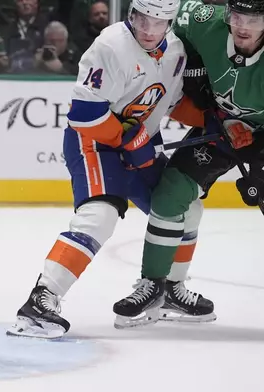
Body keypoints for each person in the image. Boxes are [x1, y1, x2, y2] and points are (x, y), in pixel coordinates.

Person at [7, 0, 213, 339]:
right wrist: (129, 141)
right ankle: (40, 300)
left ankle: (172, 289)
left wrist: (220, 119)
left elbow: (173, 104)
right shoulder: (110, 45)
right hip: (94, 143)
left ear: (170, 23)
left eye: (158, 22)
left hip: (137, 142)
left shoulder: (175, 51)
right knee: (100, 216)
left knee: (187, 207)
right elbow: (84, 115)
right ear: (131, 13)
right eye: (142, 18)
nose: (148, 29)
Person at [113, 0, 264, 326]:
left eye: (253, 19)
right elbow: (160, 12)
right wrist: (192, 64)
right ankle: (157, 285)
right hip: (219, 131)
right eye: (237, 15)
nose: (241, 26)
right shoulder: (205, 21)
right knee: (171, 192)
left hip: (259, 140)